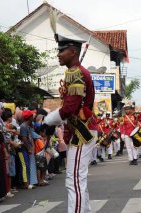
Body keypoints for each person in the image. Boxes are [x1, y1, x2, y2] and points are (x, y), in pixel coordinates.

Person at [43, 34, 97, 213]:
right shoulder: (74, 72)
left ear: (73, 52)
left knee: (74, 180)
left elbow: (70, 108)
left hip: (83, 131)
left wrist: (47, 120)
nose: (58, 54)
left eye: (61, 50)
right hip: (78, 131)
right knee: (75, 179)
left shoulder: (77, 73)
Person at [119, 99, 141, 165]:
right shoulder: (123, 118)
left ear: (130, 109)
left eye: (128, 109)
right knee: (128, 147)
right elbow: (121, 127)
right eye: (126, 109)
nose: (127, 110)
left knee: (134, 147)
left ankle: (135, 159)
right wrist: (122, 134)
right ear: (124, 110)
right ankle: (131, 159)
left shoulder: (134, 116)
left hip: (134, 134)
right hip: (127, 134)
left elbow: (139, 117)